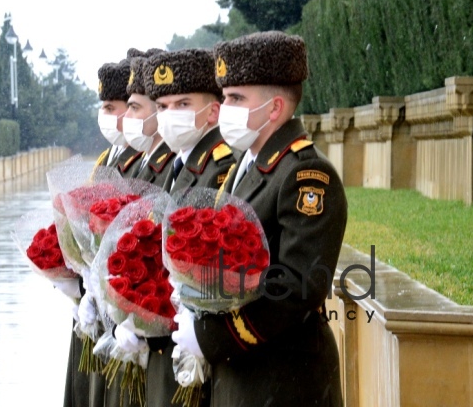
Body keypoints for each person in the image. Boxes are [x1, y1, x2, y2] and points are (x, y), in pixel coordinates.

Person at [171, 31, 347, 406]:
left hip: (283, 379)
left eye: (236, 98)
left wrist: (210, 335)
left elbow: (298, 283)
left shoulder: (306, 175)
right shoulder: (243, 166)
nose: (226, 107)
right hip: (245, 376)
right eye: (225, 97)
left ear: (274, 109)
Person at [116, 47, 237, 407]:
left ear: (212, 110)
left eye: (182, 105)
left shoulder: (220, 167)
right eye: (164, 107)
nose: (169, 116)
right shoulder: (178, 164)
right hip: (166, 343)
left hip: (195, 343)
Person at [122, 49, 175, 187]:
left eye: (135, 107)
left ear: (158, 111)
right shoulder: (141, 160)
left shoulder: (171, 163)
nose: (126, 115)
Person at [94, 59, 144, 178]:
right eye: (102, 108)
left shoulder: (143, 157)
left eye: (110, 108)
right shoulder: (107, 155)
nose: (103, 114)